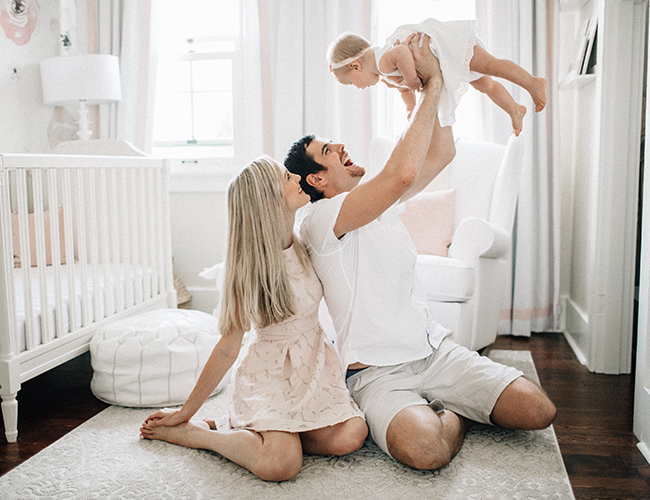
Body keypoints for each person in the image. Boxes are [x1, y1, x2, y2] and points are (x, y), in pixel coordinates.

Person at [285, 33, 556, 471]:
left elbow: (443, 152)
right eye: (326, 151)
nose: (339, 146)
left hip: (432, 351)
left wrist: (441, 86)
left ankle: (447, 400)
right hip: (375, 374)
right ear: (316, 180)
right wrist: (428, 87)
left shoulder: (383, 210)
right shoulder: (318, 222)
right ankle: (453, 413)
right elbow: (400, 174)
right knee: (427, 451)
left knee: (538, 411)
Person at [139, 157, 367, 482]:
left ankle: (253, 429)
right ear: (269, 200)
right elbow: (227, 348)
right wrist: (185, 413)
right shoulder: (249, 268)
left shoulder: (305, 238)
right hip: (268, 373)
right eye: (288, 177)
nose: (298, 178)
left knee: (351, 435)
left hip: (312, 362)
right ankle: (201, 434)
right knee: (281, 465)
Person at [327, 19, 547, 136]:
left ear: (355, 66)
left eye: (351, 82)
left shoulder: (382, 60)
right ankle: (514, 109)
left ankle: (532, 82)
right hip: (447, 60)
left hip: (447, 50)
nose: (358, 87)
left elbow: (402, 54)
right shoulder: (384, 71)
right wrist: (410, 109)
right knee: (485, 84)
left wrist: (412, 80)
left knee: (491, 66)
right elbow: (403, 89)